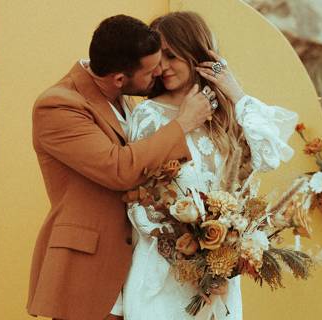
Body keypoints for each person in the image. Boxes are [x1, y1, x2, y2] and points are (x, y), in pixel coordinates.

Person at [26, 14, 215, 320]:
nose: (159, 75)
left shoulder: (124, 100)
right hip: (88, 271)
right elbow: (119, 169)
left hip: (135, 272)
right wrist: (183, 123)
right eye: (151, 72)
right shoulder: (59, 105)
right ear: (119, 78)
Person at [123, 11, 299, 320]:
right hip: (165, 276)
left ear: (196, 56)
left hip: (220, 280)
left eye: (171, 55)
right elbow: (141, 200)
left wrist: (235, 92)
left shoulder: (226, 116)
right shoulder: (148, 115)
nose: (162, 66)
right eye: (156, 57)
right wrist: (192, 263)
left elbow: (269, 157)